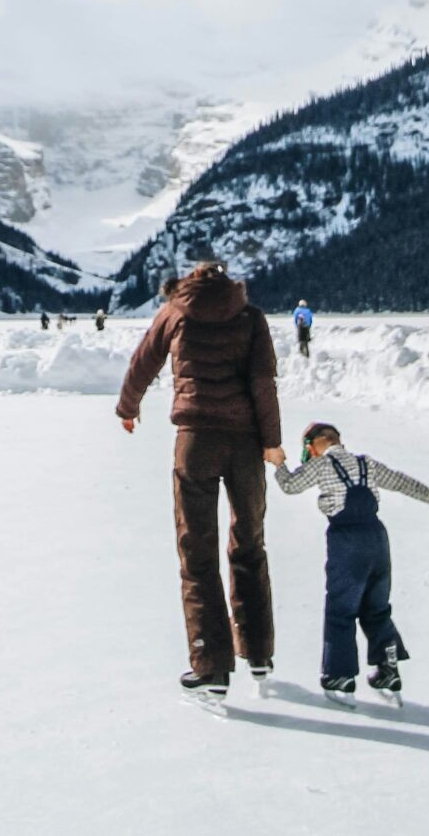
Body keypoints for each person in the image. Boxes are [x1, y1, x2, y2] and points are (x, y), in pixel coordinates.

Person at [115, 259, 283, 708]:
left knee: (198, 552)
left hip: (196, 443)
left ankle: (211, 667)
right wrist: (272, 442)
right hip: (246, 444)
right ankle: (259, 653)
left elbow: (143, 361)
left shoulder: (175, 311)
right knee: (249, 542)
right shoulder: (250, 317)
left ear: (189, 282)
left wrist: (127, 408)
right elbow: (263, 382)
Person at [274, 420, 429, 702]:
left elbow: (290, 486)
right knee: (376, 607)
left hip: (347, 542)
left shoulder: (320, 465)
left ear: (312, 446)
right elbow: (400, 481)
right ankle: (388, 667)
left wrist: (278, 463)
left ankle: (340, 675)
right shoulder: (365, 463)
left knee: (341, 608)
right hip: (378, 540)